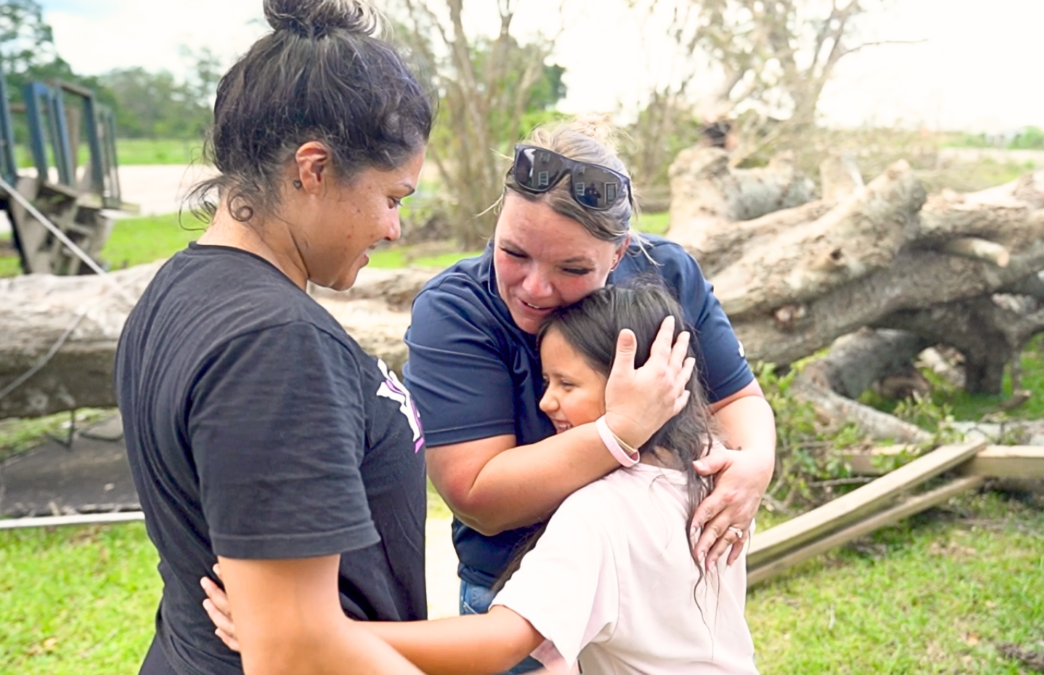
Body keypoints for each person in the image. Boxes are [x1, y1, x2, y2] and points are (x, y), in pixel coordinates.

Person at [203, 283, 759, 673]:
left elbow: (497, 644)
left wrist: (309, 639)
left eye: (566, 384)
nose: (546, 403)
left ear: (635, 380)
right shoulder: (714, 472)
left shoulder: (600, 511)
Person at [113, 1, 435, 674]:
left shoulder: (180, 287)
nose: (394, 229)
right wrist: (297, 631)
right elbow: (295, 649)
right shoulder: (273, 343)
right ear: (312, 168)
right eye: (393, 198)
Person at [401, 119, 777, 673]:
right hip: (517, 586)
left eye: (572, 268)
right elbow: (476, 494)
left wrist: (755, 465)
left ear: (621, 251)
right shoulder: (456, 312)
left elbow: (738, 399)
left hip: (653, 577)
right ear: (497, 219)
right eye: (514, 252)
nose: (534, 287)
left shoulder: (665, 273)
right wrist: (620, 431)